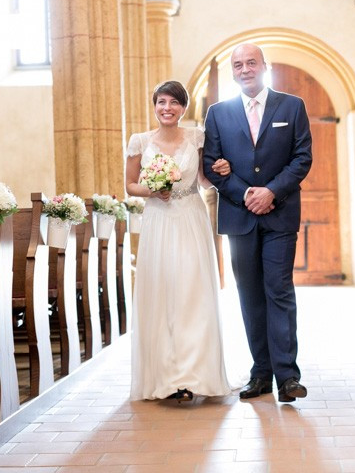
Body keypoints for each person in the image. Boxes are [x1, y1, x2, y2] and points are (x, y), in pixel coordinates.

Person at [202, 43, 312, 402]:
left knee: (279, 290)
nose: (245, 69)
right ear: (233, 71)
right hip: (239, 216)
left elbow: (301, 158)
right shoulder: (218, 113)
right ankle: (260, 373)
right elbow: (211, 165)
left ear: (265, 66)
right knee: (250, 295)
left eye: (252, 62)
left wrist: (271, 192)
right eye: (238, 64)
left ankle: (288, 376)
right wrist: (247, 193)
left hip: (280, 215)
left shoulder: (292, 106)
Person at [125, 80, 233, 401]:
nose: (167, 108)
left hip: (191, 217)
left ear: (183, 108)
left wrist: (220, 172)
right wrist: (152, 190)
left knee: (192, 292)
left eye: (173, 102)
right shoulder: (140, 141)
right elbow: (130, 185)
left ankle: (195, 373)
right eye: (161, 102)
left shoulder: (197, 137)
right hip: (158, 220)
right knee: (163, 292)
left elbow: (203, 180)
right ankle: (167, 377)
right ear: (155, 105)